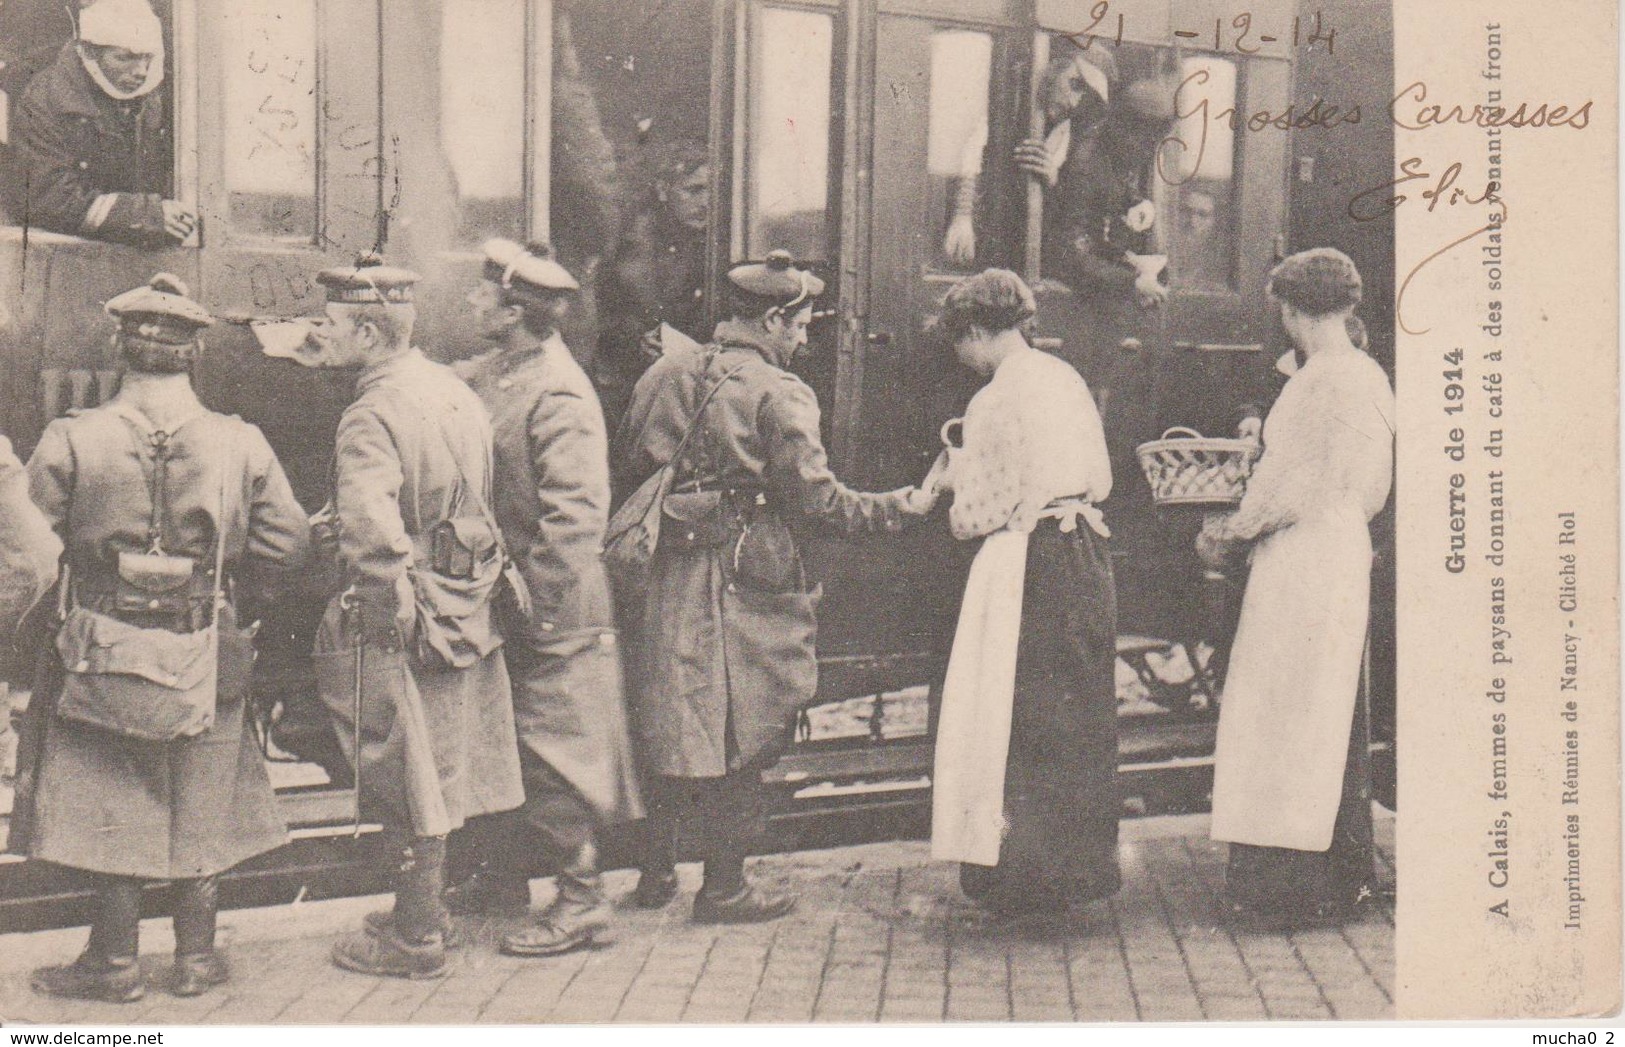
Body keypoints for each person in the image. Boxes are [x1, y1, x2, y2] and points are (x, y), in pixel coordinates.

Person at [615, 250, 941, 922]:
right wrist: (901, 507)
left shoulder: (664, 370)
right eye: (800, 324)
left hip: (665, 570)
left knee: (667, 716)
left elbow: (631, 459)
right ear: (770, 317)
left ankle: (653, 876)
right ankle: (725, 887)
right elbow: (817, 503)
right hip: (742, 576)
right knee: (744, 726)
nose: (802, 337)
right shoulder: (780, 392)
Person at [17, 274, 308, 1002]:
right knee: (201, 791)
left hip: (100, 649)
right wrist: (245, 611)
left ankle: (112, 964)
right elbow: (289, 542)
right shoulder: (240, 442)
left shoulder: (72, 438)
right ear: (193, 353)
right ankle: (196, 960)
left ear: (121, 346)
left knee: (115, 797)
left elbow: (23, 549)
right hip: (205, 645)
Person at [282, 254, 526, 979]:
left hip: (409, 612)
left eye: (329, 324)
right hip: (466, 599)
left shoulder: (369, 412)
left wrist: (390, 615)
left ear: (364, 330)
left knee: (402, 767)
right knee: (442, 761)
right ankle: (425, 911)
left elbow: (375, 531)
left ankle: (415, 933)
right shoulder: (449, 388)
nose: (320, 334)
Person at [447, 239, 643, 957]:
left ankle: (583, 899)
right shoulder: (505, 368)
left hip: (552, 603)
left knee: (555, 755)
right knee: (505, 743)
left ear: (514, 312)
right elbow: (451, 385)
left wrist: (536, 606)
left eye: (482, 297)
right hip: (511, 596)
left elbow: (576, 517)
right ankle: (503, 880)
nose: (470, 303)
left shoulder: (558, 390)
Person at [1198, 248, 1395, 930]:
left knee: (1280, 713)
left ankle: (1283, 886)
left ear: (1291, 309)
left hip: (1299, 557)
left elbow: (1281, 487)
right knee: (1332, 711)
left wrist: (1228, 529)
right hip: (1343, 547)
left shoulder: (1313, 384)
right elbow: (1370, 486)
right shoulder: (1368, 374)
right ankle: (1341, 875)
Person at [927, 269, 1121, 916]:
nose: (959, 358)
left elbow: (977, 512)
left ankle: (1023, 880)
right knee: (1073, 714)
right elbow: (1100, 472)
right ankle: (1076, 872)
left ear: (978, 331)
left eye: (960, 343)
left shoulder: (993, 400)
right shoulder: (1062, 377)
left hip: (1029, 561)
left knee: (1016, 718)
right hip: (1085, 548)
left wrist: (949, 485)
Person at [9, 0, 197, 246]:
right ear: (89, 52)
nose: (141, 71)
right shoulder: (45, 100)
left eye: (146, 58)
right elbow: (47, 199)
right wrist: (147, 215)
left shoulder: (159, 97)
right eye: (124, 58)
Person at [595, 140, 712, 431]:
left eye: (712, 191)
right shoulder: (639, 242)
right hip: (635, 379)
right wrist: (639, 339)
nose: (706, 202)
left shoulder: (714, 241)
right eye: (694, 190)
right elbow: (623, 311)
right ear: (663, 191)